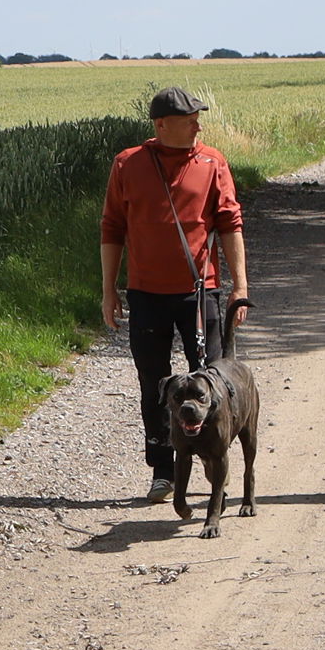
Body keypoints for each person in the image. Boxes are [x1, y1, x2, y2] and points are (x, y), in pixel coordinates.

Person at [100, 85, 249, 502]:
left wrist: (239, 285)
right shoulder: (128, 164)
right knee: (154, 385)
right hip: (146, 293)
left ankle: (212, 457)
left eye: (198, 118)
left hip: (200, 293)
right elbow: (111, 228)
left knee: (213, 381)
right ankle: (162, 469)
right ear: (161, 124)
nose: (198, 125)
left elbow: (230, 225)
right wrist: (109, 290)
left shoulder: (212, 161)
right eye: (190, 119)